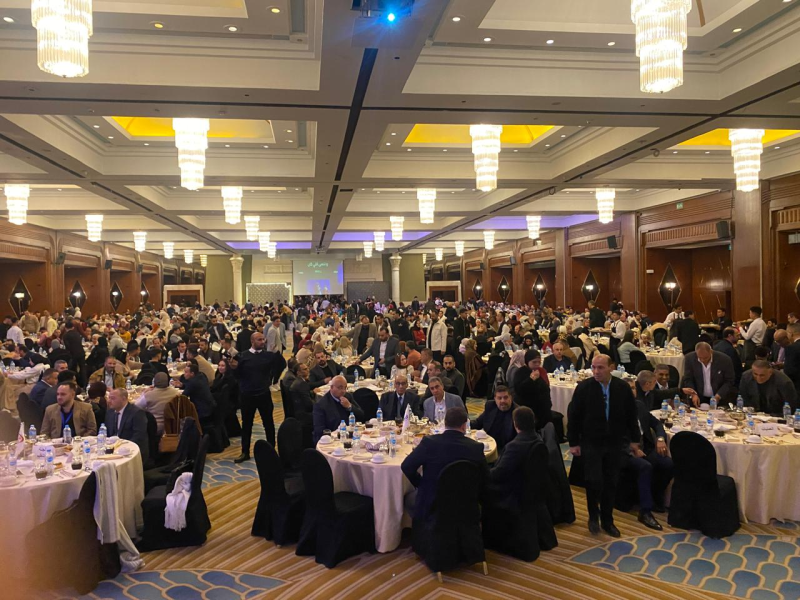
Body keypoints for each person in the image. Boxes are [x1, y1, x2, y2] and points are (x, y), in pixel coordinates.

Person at [568, 355, 640, 538]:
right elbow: (574, 416)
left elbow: (631, 415)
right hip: (591, 441)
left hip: (615, 442)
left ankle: (608, 520)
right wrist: (573, 442)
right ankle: (593, 516)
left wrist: (634, 440)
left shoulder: (622, 388)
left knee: (611, 481)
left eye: (600, 367)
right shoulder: (584, 388)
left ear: (611, 368)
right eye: (593, 367)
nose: (596, 371)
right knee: (593, 480)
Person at [401, 406, 489, 521]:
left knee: (408, 499)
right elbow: (485, 478)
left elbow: (406, 466)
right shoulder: (475, 447)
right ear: (464, 426)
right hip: (464, 502)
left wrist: (421, 484)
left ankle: (421, 528)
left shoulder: (429, 443)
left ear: (445, 423)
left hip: (432, 501)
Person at [625, 371, 674, 530]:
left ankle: (655, 497)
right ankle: (645, 512)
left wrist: (660, 439)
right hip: (624, 452)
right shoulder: (614, 410)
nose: (632, 391)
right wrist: (632, 449)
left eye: (633, 388)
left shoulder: (639, 405)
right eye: (628, 388)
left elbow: (657, 424)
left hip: (645, 448)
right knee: (645, 466)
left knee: (668, 463)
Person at [230, 331, 278, 462]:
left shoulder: (268, 356)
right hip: (247, 395)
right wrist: (234, 369)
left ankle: (271, 450)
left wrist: (271, 379)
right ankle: (245, 452)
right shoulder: (242, 356)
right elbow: (237, 376)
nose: (262, 342)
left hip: (264, 394)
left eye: (263, 339)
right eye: (259, 340)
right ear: (252, 341)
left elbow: (280, 366)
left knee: (268, 423)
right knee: (246, 425)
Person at [486, 406, 542, 511]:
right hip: (528, 489)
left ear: (515, 424)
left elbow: (498, 474)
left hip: (510, 491)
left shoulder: (514, 447)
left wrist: (482, 471)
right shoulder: (538, 439)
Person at [681, 342, 737, 406]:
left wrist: (719, 395)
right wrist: (693, 394)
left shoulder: (724, 360)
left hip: (720, 398)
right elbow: (688, 379)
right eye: (700, 358)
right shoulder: (689, 358)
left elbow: (729, 381)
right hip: (699, 397)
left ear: (711, 352)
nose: (703, 360)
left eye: (705, 358)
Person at [312, 375, 364, 442]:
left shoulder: (347, 396)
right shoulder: (321, 405)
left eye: (345, 388)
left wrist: (349, 406)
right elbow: (319, 431)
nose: (343, 391)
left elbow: (361, 415)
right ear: (331, 387)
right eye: (340, 388)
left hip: (351, 436)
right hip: (332, 440)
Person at [105, 388, 149, 464]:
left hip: (131, 451)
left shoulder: (136, 413)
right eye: (109, 398)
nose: (109, 401)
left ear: (123, 399)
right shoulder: (110, 412)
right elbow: (108, 433)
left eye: (112, 398)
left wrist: (122, 448)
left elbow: (139, 436)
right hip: (113, 450)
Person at [512, 349, 552, 429]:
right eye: (534, 362)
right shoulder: (521, 372)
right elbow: (519, 390)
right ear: (527, 362)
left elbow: (545, 387)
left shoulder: (541, 371)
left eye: (539, 362)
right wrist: (531, 379)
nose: (537, 364)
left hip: (543, 407)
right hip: (528, 407)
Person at [472, 385, 518, 454]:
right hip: (489, 446)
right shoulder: (490, 406)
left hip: (508, 450)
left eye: (505, 397)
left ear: (510, 398)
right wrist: (463, 423)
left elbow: (521, 437)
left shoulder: (517, 412)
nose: (503, 401)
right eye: (499, 398)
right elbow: (477, 423)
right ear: (495, 399)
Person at [290, 363, 315, 444]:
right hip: (304, 415)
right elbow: (309, 405)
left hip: (297, 412)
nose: (308, 370)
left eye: (307, 368)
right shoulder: (302, 384)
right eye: (305, 369)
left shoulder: (298, 382)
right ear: (298, 373)